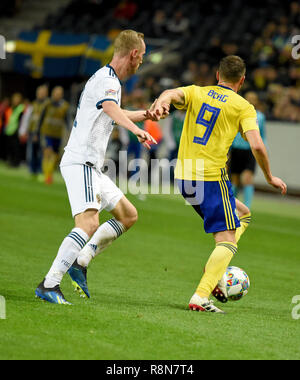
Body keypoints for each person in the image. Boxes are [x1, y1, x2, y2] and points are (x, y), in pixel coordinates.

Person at [35, 30, 166, 305]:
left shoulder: (109, 81)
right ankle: (49, 284)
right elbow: (110, 108)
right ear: (132, 54)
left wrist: (146, 114)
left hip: (92, 167)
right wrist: (137, 130)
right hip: (81, 161)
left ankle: (81, 260)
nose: (140, 62)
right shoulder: (108, 80)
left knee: (128, 215)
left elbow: (115, 111)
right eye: (141, 57)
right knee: (88, 223)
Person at [149, 55, 287, 313]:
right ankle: (201, 295)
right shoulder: (244, 107)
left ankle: (217, 267)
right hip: (210, 178)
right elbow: (256, 144)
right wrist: (269, 177)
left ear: (217, 74)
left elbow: (169, 93)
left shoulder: (196, 92)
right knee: (227, 240)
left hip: (184, 177)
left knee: (243, 214)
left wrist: (161, 103)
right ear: (242, 80)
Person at [229, 91, 266, 208]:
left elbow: (262, 135)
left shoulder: (260, 117)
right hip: (235, 150)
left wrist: (263, 150)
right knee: (234, 179)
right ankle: (232, 205)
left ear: (256, 101)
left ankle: (247, 207)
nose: (250, 100)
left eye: (253, 98)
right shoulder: (236, 114)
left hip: (250, 151)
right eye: (248, 98)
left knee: (247, 178)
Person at [39, 86, 69, 184]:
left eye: (59, 94)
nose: (57, 95)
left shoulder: (64, 106)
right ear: (53, 94)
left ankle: (49, 174)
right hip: (47, 132)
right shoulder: (47, 104)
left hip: (58, 134)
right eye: (56, 93)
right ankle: (47, 175)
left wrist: (69, 131)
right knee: (48, 152)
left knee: (55, 155)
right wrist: (37, 131)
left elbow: (67, 120)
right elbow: (42, 117)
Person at [22, 85, 49, 178]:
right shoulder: (33, 104)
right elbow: (28, 118)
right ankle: (32, 170)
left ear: (46, 94)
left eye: (42, 93)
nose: (40, 94)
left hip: (42, 132)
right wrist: (25, 130)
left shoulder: (47, 105)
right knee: (32, 151)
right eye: (39, 93)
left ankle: (39, 171)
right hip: (32, 131)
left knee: (40, 152)